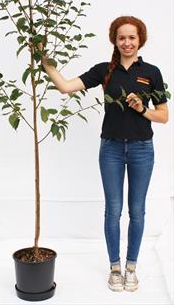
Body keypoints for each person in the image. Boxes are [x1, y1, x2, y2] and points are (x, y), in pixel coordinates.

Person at [40, 15, 169, 292]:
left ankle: (131, 267)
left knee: (137, 211)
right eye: (121, 37)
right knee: (113, 210)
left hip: (142, 149)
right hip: (110, 148)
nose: (127, 42)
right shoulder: (104, 71)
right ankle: (114, 267)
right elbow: (65, 86)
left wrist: (141, 110)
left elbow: (163, 116)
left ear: (140, 40)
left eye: (132, 37)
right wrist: (44, 61)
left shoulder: (152, 72)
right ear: (114, 40)